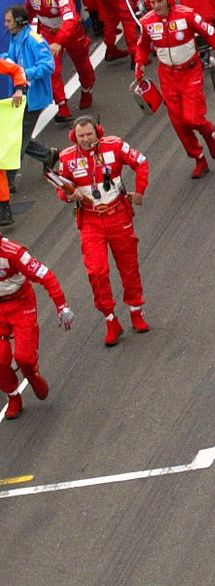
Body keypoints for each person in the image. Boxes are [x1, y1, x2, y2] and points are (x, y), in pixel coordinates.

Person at [49, 116, 148, 347]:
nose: (85, 139)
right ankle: (110, 320)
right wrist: (67, 195)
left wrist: (140, 191)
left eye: (89, 135)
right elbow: (61, 189)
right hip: (90, 220)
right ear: (74, 137)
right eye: (80, 136)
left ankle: (136, 311)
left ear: (98, 132)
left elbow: (141, 162)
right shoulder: (66, 158)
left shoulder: (114, 145)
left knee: (129, 266)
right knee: (96, 271)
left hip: (119, 215)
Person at [133, 0, 215, 178]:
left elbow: (208, 31)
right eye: (152, 2)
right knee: (179, 123)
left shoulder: (187, 15)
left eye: (160, 1)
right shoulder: (147, 22)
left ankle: (209, 131)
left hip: (190, 72)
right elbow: (142, 47)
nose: (156, 6)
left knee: (193, 118)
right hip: (167, 76)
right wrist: (139, 65)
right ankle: (199, 158)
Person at [0, 233, 70, 418]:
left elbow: (45, 275)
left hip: (21, 303)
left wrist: (61, 306)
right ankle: (13, 397)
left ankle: (32, 375)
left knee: (24, 357)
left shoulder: (14, 252)